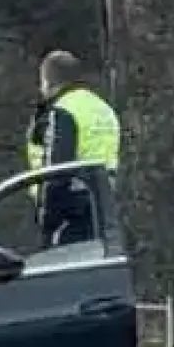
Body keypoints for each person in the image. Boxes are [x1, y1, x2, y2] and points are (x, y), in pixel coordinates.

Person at [25, 50, 120, 247]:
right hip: (106, 211)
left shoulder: (63, 110)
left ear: (47, 81)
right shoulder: (103, 108)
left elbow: (56, 174)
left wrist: (48, 223)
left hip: (72, 215)